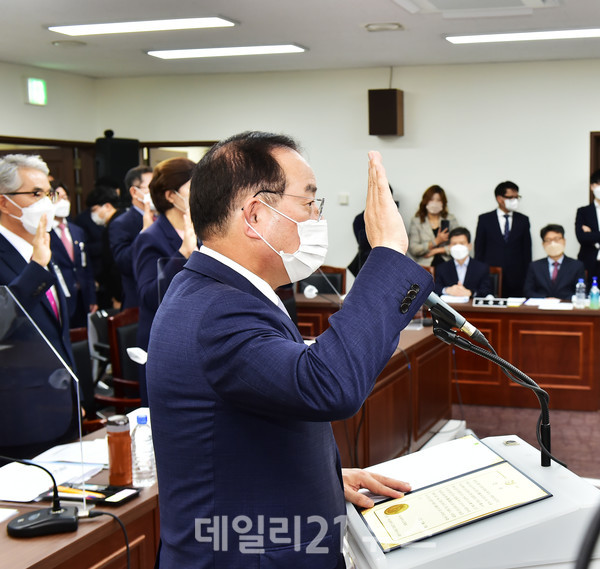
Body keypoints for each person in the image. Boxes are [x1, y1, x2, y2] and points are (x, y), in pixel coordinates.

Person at [146, 131, 434, 568]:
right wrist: (389, 255)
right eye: (309, 202)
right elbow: (327, 385)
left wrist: (322, 480)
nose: (318, 216)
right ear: (256, 216)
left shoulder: (225, 292)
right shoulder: (218, 312)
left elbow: (254, 418)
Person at [0, 154, 78, 457]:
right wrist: (36, 266)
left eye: (48, 193)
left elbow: (57, 330)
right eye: (35, 194)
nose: (46, 202)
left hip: (63, 406)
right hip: (20, 414)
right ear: (5, 202)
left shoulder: (44, 244)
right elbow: (4, 322)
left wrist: (76, 397)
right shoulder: (36, 255)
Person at [132, 157, 197, 405]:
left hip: (194, 336)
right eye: (193, 190)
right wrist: (182, 255)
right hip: (163, 342)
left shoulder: (202, 230)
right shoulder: (150, 238)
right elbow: (149, 295)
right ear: (171, 196)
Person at [50, 180, 97, 327]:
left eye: (65, 197)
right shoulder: (44, 232)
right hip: (61, 297)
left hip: (82, 297)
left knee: (82, 342)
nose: (63, 201)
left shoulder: (77, 230)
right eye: (57, 197)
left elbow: (86, 266)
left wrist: (92, 298)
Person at [474, 181, 532, 297]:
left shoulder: (523, 220)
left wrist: (528, 277)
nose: (515, 201)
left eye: (517, 197)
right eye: (511, 197)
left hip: (517, 278)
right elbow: (479, 249)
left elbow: (527, 251)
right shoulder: (485, 219)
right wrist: (480, 274)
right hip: (491, 275)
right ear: (499, 199)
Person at [108, 165, 154, 309]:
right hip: (138, 303)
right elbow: (124, 263)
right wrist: (144, 233)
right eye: (151, 187)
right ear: (135, 192)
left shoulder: (164, 218)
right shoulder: (121, 224)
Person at [86, 185, 123, 310]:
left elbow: (115, 264)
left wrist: (118, 296)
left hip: (122, 293)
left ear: (107, 206)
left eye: (94, 209)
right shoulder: (124, 219)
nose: (93, 214)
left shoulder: (115, 226)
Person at [524, 224, 585, 300]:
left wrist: (560, 300)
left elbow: (581, 293)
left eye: (557, 239)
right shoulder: (534, 266)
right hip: (541, 308)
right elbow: (528, 292)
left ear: (564, 241)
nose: (553, 244)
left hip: (567, 307)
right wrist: (545, 299)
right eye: (548, 240)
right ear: (543, 244)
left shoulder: (577, 265)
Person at [407, 185, 458, 268]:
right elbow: (414, 249)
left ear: (443, 202)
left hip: (447, 263)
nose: (434, 203)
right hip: (424, 265)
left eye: (438, 200)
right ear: (425, 201)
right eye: (431, 200)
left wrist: (437, 250)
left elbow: (458, 246)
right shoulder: (416, 221)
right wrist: (436, 241)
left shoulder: (450, 219)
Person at [434, 227, 493, 298]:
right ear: (449, 247)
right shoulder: (441, 268)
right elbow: (435, 288)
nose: (458, 247)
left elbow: (486, 290)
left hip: (471, 307)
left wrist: (470, 292)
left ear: (469, 246)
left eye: (462, 243)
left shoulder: (482, 268)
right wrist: (447, 290)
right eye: (454, 244)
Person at [575, 169, 600, 285]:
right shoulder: (583, 211)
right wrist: (588, 235)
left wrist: (592, 233)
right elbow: (581, 237)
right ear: (592, 186)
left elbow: (588, 237)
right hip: (589, 262)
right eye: (598, 184)